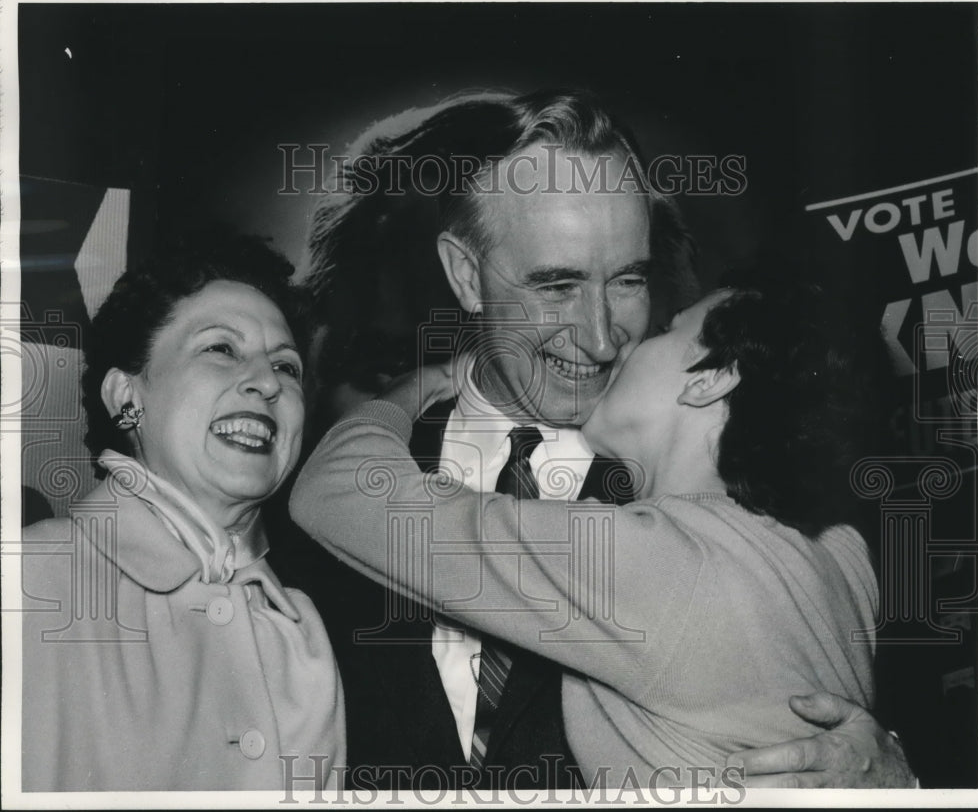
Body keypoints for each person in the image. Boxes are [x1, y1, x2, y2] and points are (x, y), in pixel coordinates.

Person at [284, 88, 914, 789]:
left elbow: (338, 493)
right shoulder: (832, 546)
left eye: (629, 280)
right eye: (556, 285)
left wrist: (890, 767)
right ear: (466, 275)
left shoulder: (678, 540)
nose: (601, 334)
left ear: (713, 378)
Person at [291, 277, 891, 789]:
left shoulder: (657, 562)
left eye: (665, 331)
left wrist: (408, 393)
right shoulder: (844, 554)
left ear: (711, 379)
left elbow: (338, 491)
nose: (622, 347)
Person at [20, 235, 346, 791]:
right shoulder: (26, 581)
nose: (268, 383)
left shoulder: (303, 634)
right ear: (127, 396)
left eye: (287, 368)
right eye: (221, 349)